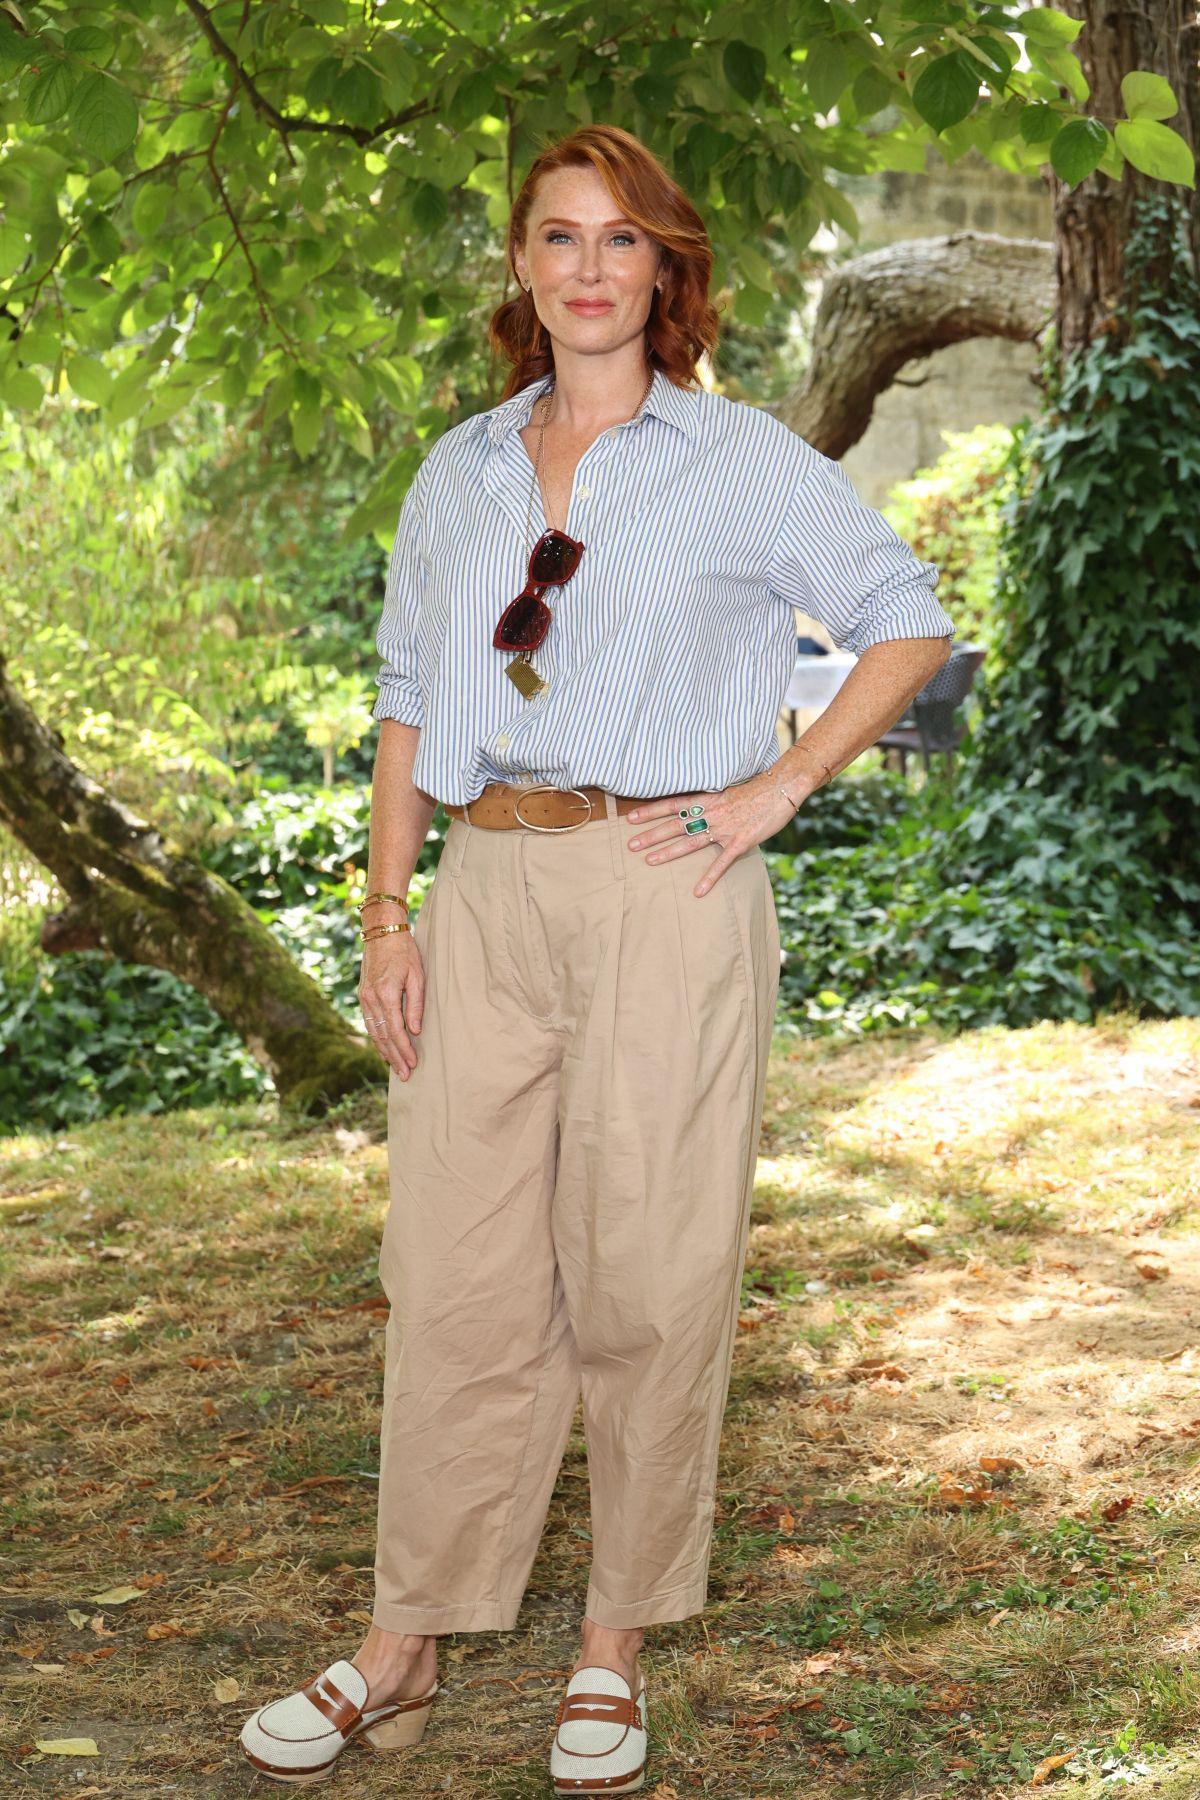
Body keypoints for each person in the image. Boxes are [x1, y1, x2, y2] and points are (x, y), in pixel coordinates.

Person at [240, 122, 955, 1793]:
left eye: (621, 238)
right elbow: (408, 700)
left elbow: (905, 615)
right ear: (520, 264)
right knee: (456, 1277)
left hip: (664, 886)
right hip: (484, 888)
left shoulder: (740, 458)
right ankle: (404, 1642)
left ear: (664, 269)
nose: (587, 266)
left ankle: (611, 1646)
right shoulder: (460, 471)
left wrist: (774, 788)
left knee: (647, 1273)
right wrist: (387, 915)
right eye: (559, 235)